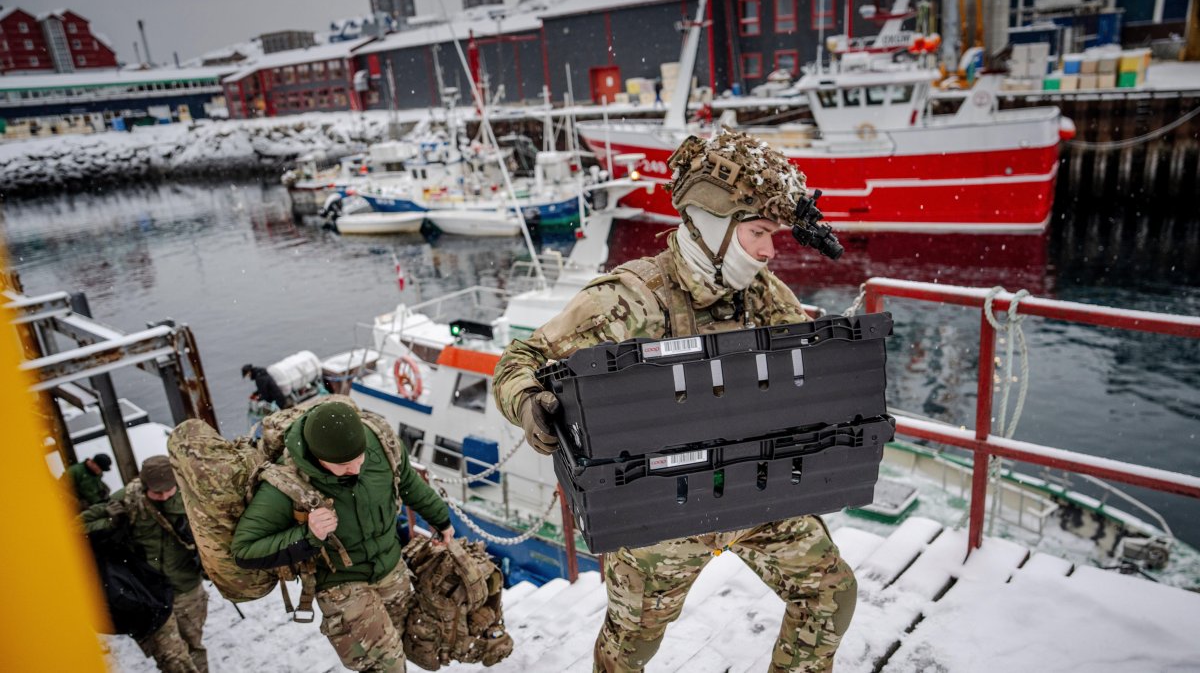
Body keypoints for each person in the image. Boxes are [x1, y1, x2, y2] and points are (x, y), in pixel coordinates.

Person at [493, 129, 857, 673]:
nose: (768, 250)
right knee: (629, 649)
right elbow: (519, 358)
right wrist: (528, 402)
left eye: (772, 234)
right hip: (661, 511)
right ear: (714, 224)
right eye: (758, 232)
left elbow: (799, 370)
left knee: (831, 594)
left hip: (754, 492)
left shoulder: (762, 293)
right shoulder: (629, 300)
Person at [231, 401, 455, 672]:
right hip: (342, 582)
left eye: (360, 457)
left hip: (390, 566)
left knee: (405, 640)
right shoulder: (286, 482)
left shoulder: (380, 441)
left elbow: (407, 481)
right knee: (387, 665)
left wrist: (441, 520)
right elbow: (245, 550)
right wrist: (309, 534)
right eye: (345, 465)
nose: (357, 468)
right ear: (318, 458)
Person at [81, 455, 208, 673]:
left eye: (169, 489)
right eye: (157, 492)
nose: (165, 495)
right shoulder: (126, 499)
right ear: (144, 484)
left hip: (187, 588)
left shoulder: (191, 495)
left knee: (193, 646)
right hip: (150, 594)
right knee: (172, 658)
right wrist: (111, 522)